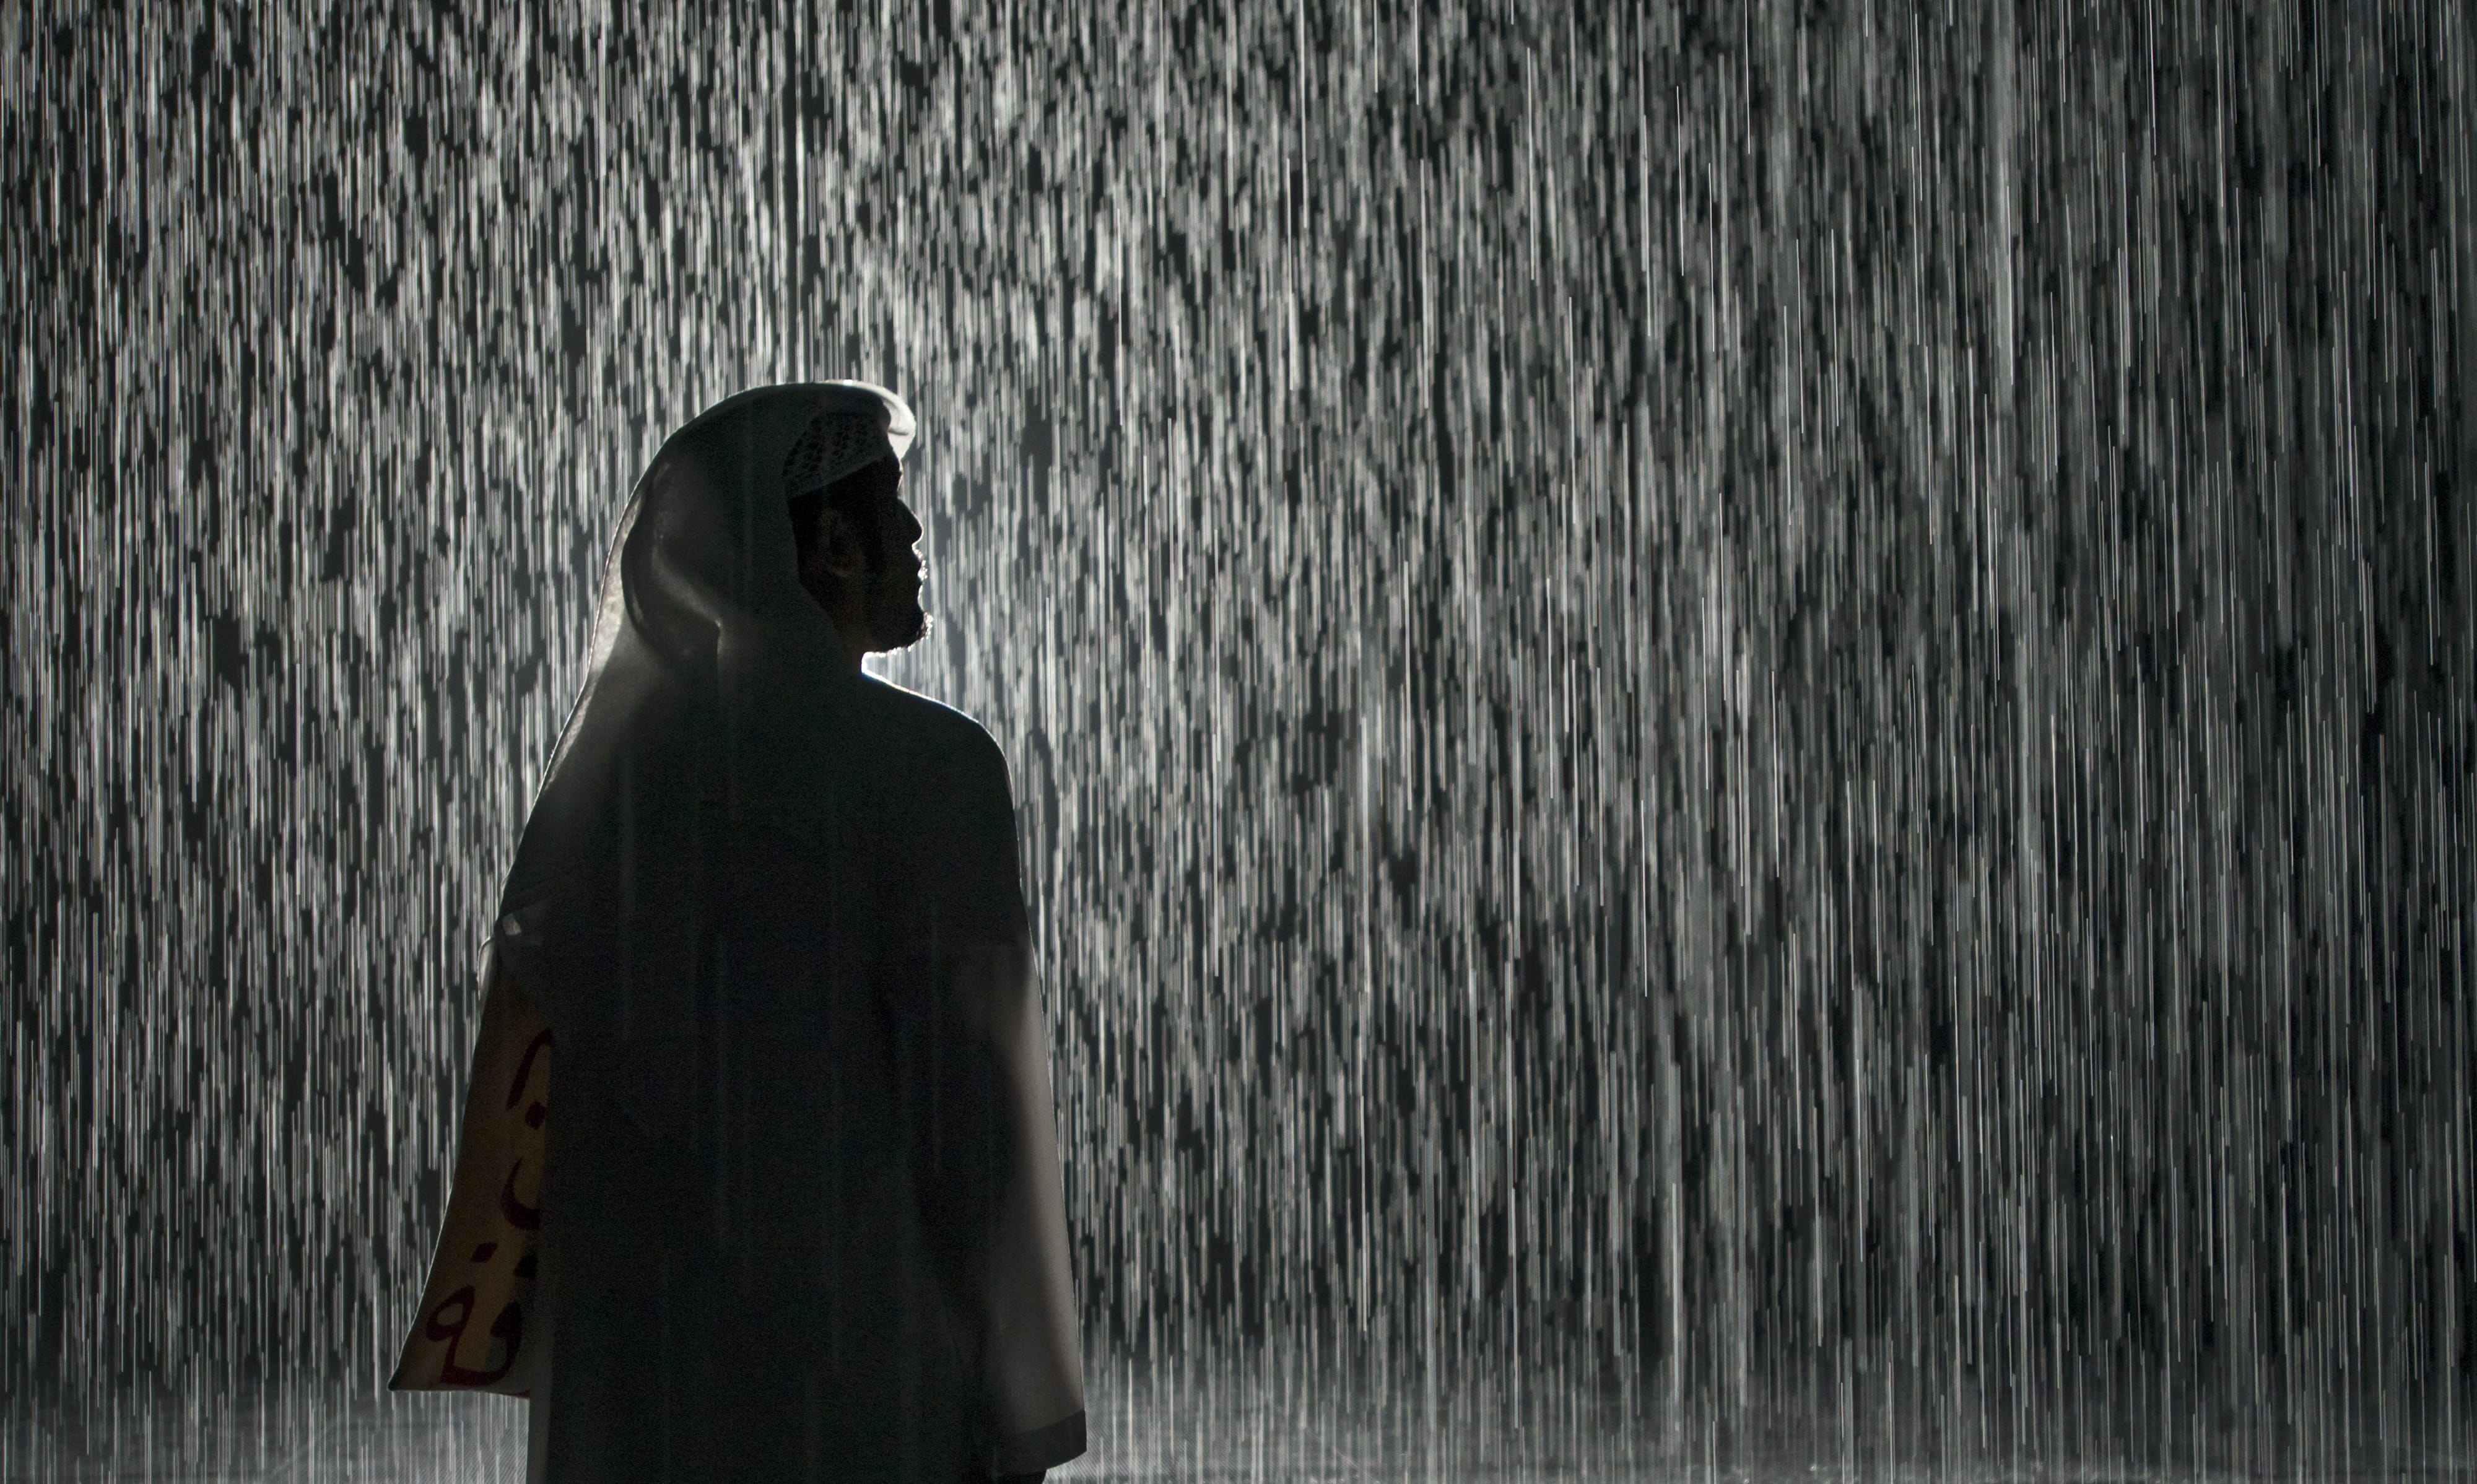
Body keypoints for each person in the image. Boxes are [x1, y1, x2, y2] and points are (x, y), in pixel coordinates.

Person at [390, 383, 1085, 1484]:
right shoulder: (930, 767)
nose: (914, 535)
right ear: (833, 546)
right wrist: (1031, 1402)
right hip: (867, 1370)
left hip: (650, 1375)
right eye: (889, 508)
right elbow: (975, 1108)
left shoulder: (622, 783)